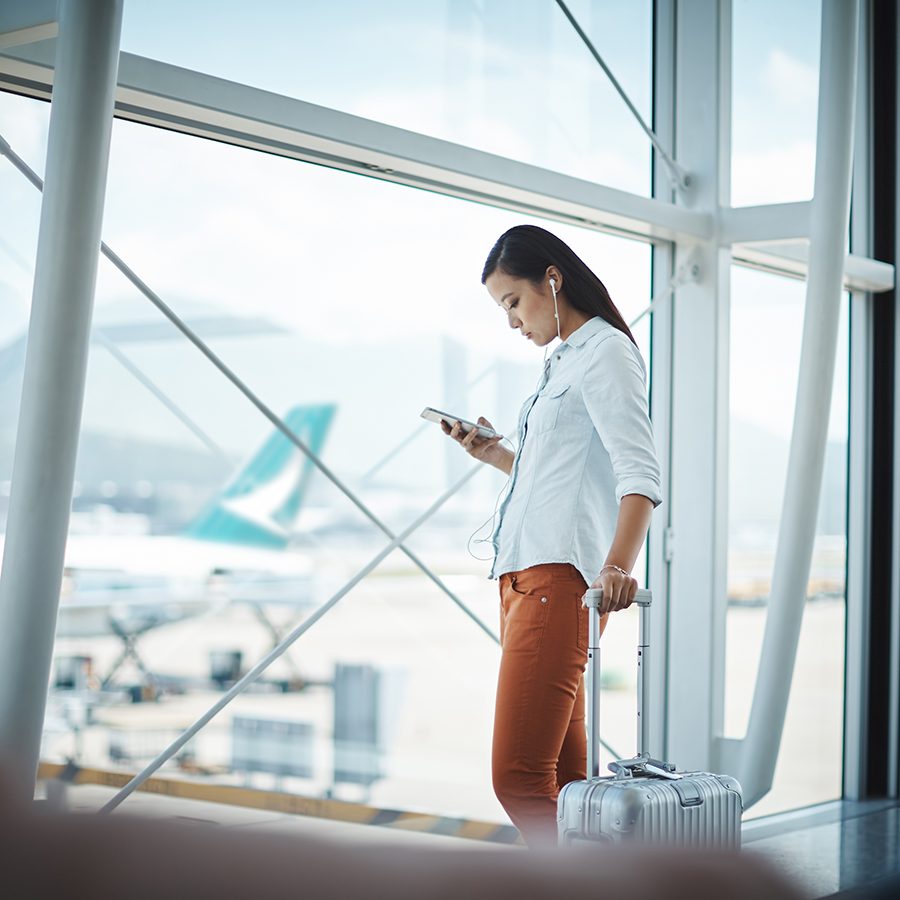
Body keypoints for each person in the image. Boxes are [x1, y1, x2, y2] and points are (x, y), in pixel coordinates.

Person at [441, 224, 662, 848]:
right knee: (567, 783)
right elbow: (559, 480)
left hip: (556, 582)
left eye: (514, 302)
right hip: (521, 582)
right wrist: (495, 454)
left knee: (516, 777)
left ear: (553, 280)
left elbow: (638, 472)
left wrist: (616, 567)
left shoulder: (606, 352)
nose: (511, 321)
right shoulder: (561, 361)